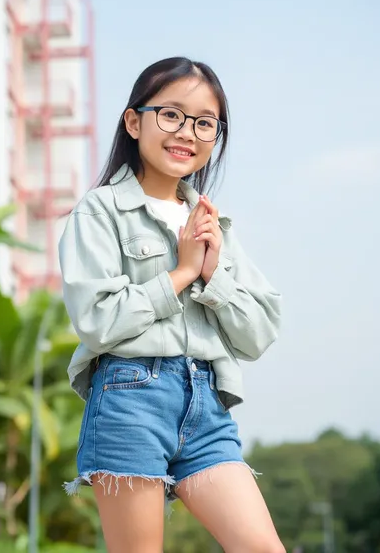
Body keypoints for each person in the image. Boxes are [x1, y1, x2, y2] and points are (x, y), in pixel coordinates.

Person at [59, 56, 284, 553]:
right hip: (128, 399)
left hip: (207, 406)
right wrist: (181, 272)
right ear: (134, 121)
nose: (187, 132)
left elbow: (260, 331)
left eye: (205, 122)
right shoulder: (99, 211)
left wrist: (211, 274)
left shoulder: (212, 224)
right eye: (172, 115)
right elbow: (97, 320)